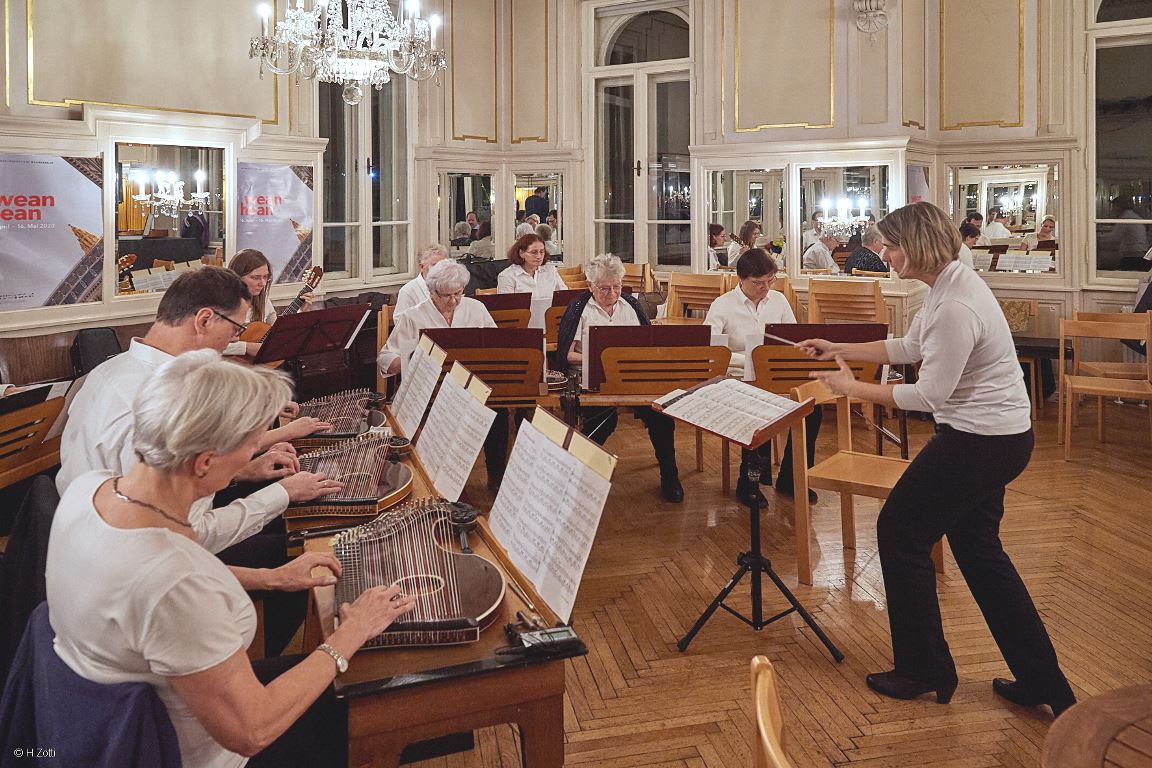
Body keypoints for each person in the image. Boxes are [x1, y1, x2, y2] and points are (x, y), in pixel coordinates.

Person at [47, 350, 416, 768]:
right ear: (204, 461)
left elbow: (149, 580)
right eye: (250, 445)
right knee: (400, 694)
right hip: (189, 750)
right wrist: (351, 633)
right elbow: (252, 731)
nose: (253, 454)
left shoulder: (91, 490)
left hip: (111, 716)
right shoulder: (175, 581)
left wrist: (269, 577)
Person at [800, 201, 1076, 716]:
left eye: (889, 244)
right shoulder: (948, 284)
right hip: (994, 438)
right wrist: (838, 345)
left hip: (981, 442)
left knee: (900, 533)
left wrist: (849, 387)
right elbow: (908, 346)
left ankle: (924, 667)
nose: (882, 252)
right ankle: (1044, 683)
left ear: (916, 245)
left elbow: (927, 397)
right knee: (980, 553)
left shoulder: (955, 305)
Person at [57, 266, 340, 656]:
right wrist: (280, 496)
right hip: (125, 583)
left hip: (94, 544)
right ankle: (253, 655)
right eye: (236, 330)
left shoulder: (109, 371)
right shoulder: (160, 400)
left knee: (281, 519)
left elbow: (166, 485)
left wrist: (245, 470)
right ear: (204, 319)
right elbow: (186, 536)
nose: (233, 343)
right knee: (296, 544)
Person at [556, 254, 683, 503]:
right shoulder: (578, 308)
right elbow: (566, 355)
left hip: (632, 377)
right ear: (590, 286)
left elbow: (649, 346)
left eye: (617, 286)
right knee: (604, 421)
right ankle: (579, 478)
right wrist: (599, 359)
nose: (612, 293)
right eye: (604, 288)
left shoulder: (632, 305)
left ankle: (670, 476)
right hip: (592, 379)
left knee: (661, 417)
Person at [703, 249, 821, 505]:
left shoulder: (778, 301)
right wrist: (749, 360)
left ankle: (792, 478)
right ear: (741, 279)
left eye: (770, 281)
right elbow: (711, 352)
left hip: (774, 373)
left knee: (813, 408)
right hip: (737, 379)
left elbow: (791, 341)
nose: (765, 288)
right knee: (757, 407)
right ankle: (749, 482)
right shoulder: (722, 305)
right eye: (758, 283)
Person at [377, 261, 508, 489]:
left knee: (499, 409)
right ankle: (436, 481)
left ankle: (496, 478)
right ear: (432, 291)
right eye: (446, 295)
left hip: (471, 387)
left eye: (458, 293)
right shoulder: (413, 316)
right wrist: (412, 359)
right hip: (432, 391)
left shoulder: (476, 308)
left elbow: (497, 346)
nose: (454, 301)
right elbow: (385, 358)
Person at [223, 249, 313, 358]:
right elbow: (205, 346)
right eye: (256, 277)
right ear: (236, 277)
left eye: (266, 277)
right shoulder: (220, 305)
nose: (263, 283)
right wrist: (247, 347)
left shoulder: (263, 300)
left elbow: (278, 333)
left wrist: (301, 312)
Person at [497, 233, 566, 296]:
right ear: (521, 253)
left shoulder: (551, 270)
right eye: (534, 252)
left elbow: (565, 295)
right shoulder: (507, 276)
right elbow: (506, 307)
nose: (539, 256)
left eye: (541, 252)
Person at [394, 244, 448, 316]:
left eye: (443, 265)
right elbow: (400, 322)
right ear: (422, 267)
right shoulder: (408, 291)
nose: (440, 269)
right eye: (435, 265)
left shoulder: (451, 288)